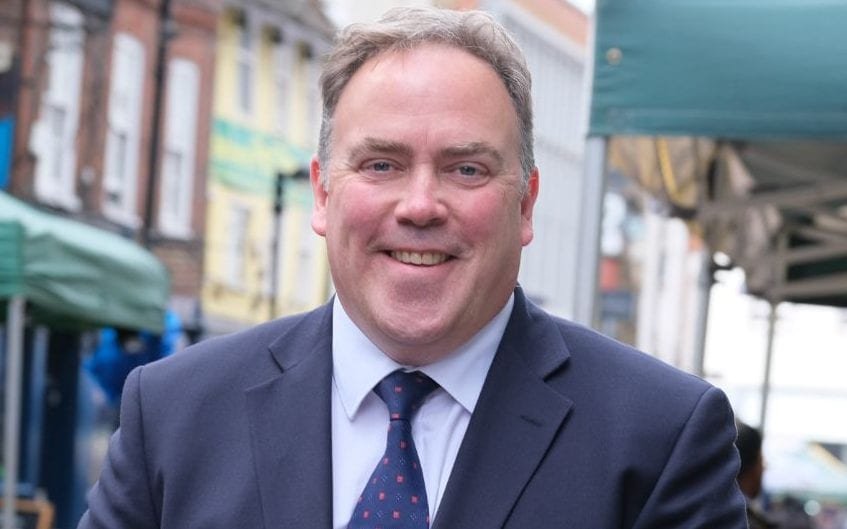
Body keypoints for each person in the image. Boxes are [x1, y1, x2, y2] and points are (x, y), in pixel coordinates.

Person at [79, 7, 748, 529]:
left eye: (466, 167)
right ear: (321, 192)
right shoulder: (173, 414)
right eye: (381, 164)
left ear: (525, 202)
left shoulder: (659, 436)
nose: (420, 204)